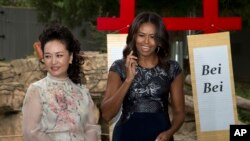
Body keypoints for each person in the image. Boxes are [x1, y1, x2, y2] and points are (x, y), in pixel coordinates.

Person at [101, 12, 185, 141]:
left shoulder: (172, 69)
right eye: (141, 35)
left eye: (152, 36)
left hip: (160, 137)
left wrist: (169, 133)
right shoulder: (119, 67)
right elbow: (107, 115)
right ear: (134, 36)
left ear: (160, 40)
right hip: (126, 135)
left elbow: (179, 113)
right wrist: (128, 80)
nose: (146, 41)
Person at [22, 23, 100, 141]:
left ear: (70, 57)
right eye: (48, 56)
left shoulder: (82, 92)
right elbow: (31, 133)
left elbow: (91, 129)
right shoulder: (36, 90)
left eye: (59, 55)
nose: (53, 62)